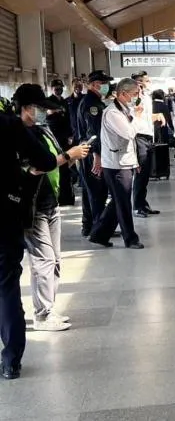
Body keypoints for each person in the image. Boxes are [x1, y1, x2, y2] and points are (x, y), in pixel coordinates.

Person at [14, 84, 90, 332]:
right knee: (43, 260)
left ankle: (48, 307)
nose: (43, 114)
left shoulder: (42, 131)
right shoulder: (15, 135)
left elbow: (55, 159)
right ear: (25, 108)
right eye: (38, 109)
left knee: (54, 260)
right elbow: (37, 167)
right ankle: (43, 314)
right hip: (32, 206)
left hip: (50, 201)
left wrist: (70, 156)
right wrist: (69, 155)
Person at [0, 91, 58, 379]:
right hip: (4, 215)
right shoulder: (9, 125)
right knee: (6, 285)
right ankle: (11, 360)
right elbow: (46, 161)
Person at [88, 78, 144, 250]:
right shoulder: (112, 113)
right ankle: (130, 238)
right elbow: (129, 134)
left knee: (119, 201)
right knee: (123, 202)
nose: (137, 97)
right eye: (135, 94)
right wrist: (138, 116)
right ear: (123, 94)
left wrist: (135, 162)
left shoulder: (124, 109)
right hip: (116, 165)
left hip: (124, 161)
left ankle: (99, 234)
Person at [77, 70, 112, 238]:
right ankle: (99, 229)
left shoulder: (93, 101)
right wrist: (97, 156)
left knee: (89, 191)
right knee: (98, 192)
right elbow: (93, 133)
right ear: (92, 85)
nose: (105, 85)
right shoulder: (92, 104)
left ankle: (88, 225)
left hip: (86, 151)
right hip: (92, 153)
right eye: (102, 83)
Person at [130, 72, 162, 219]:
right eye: (146, 81)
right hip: (139, 137)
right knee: (140, 172)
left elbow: (146, 117)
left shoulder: (146, 97)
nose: (149, 83)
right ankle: (137, 206)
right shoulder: (133, 99)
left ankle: (143, 203)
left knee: (146, 173)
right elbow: (132, 116)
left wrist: (157, 116)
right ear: (139, 83)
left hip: (149, 137)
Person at [46, 80, 75, 206]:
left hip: (66, 138)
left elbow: (69, 119)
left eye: (60, 87)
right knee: (58, 167)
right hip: (54, 138)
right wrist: (54, 111)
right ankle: (59, 197)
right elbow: (46, 116)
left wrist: (71, 135)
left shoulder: (65, 101)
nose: (58, 89)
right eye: (56, 87)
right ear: (51, 88)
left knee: (67, 169)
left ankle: (67, 197)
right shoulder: (48, 102)